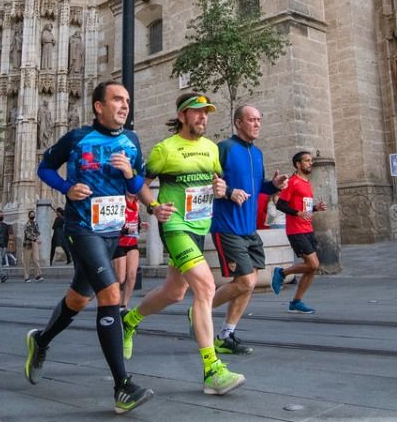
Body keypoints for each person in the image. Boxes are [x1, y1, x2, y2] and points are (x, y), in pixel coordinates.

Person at [26, 80, 161, 414]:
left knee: (77, 298)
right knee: (110, 295)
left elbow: (137, 183)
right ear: (98, 106)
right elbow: (44, 167)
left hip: (113, 230)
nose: (124, 105)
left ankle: (40, 340)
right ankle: (123, 387)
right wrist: (67, 187)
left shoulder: (132, 140)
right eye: (117, 99)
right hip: (82, 229)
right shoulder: (76, 138)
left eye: (127, 100)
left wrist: (145, 194)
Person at [122, 92, 244, 396]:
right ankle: (212, 370)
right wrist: (152, 207)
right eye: (197, 112)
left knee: (174, 292)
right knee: (205, 287)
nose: (203, 117)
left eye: (206, 113)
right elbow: (139, 184)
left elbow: (217, 183)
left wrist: (222, 188)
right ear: (182, 116)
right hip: (175, 226)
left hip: (199, 226)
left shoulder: (211, 149)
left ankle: (130, 320)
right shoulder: (165, 150)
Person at [210, 105, 287, 354]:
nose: (256, 124)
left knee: (249, 283)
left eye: (258, 120)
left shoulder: (258, 153)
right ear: (238, 123)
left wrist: (273, 185)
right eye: (251, 120)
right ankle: (200, 310)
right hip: (227, 226)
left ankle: (226, 335)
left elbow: (258, 187)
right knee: (244, 280)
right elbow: (210, 182)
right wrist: (230, 193)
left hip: (249, 229)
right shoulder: (224, 148)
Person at [270, 151, 329, 314]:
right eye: (307, 161)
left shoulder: (306, 183)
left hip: (308, 228)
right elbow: (280, 204)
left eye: (311, 161)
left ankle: (296, 302)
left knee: (311, 269)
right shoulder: (293, 182)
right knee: (313, 264)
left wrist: (315, 208)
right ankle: (281, 273)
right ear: (298, 164)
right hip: (296, 230)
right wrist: (297, 213)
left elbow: (304, 207)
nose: (311, 163)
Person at [113, 192, 141, 312]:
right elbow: (112, 225)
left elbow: (136, 221)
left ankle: (123, 306)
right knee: (120, 279)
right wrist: (126, 230)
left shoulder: (137, 204)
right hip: (119, 243)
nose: (133, 191)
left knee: (132, 275)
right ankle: (113, 302)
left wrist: (141, 225)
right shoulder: (120, 203)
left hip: (132, 243)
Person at [22, 210, 43, 281]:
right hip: (28, 244)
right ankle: (26, 277)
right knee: (27, 261)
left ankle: (38, 275)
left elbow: (38, 232)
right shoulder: (27, 224)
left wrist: (35, 237)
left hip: (35, 244)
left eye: (33, 215)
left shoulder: (35, 223)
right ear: (29, 216)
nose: (32, 216)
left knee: (36, 260)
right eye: (31, 215)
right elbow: (28, 234)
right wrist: (35, 239)